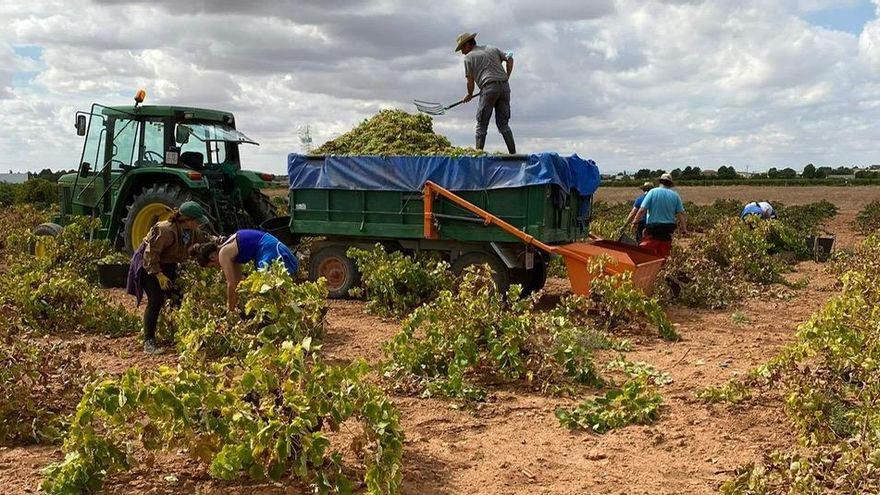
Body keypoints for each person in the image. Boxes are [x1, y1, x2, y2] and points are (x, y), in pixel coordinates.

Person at [126, 201, 213, 354]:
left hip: (168, 264)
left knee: (178, 297)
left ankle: (179, 334)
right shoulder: (165, 230)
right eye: (197, 221)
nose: (199, 224)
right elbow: (150, 254)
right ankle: (149, 342)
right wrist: (159, 275)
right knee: (156, 299)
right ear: (186, 219)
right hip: (149, 264)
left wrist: (223, 241)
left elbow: (207, 239)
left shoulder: (193, 232)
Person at [190, 229, 299, 312]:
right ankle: (290, 308)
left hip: (268, 249)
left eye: (212, 266)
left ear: (213, 257)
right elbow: (237, 284)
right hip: (266, 249)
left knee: (270, 287)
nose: (217, 268)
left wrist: (230, 310)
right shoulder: (230, 251)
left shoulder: (223, 253)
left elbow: (231, 284)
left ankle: (292, 310)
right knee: (273, 288)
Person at [455, 32, 516, 154]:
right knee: (503, 124)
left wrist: (469, 94)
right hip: (505, 88)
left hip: (488, 89)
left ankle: (478, 156)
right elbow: (510, 58)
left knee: (482, 125)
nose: (462, 51)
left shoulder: (468, 58)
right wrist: (506, 77)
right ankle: (513, 155)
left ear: (467, 44)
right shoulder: (492, 48)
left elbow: (470, 81)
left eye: (462, 48)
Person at [632, 173, 687, 257]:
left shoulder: (653, 192)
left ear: (660, 182)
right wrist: (684, 229)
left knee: (645, 253)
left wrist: (635, 222)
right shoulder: (675, 196)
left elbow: (642, 209)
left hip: (654, 229)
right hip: (667, 230)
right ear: (670, 184)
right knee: (664, 255)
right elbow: (681, 214)